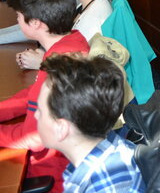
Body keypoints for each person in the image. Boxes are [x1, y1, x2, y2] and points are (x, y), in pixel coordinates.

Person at [1, 0, 91, 191]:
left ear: (36, 23)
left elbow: (36, 138)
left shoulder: (60, 64)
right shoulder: (72, 42)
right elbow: (33, 94)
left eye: (19, 16)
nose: (17, 20)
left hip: (49, 172)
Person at [36, 54, 145, 192]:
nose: (35, 116)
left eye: (39, 111)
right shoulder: (113, 147)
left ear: (61, 129)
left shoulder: (105, 187)